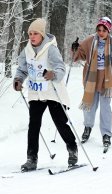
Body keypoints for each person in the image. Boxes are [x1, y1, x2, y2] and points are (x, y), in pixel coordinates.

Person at [13, 18, 78, 171]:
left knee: (60, 122)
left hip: (52, 92)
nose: (32, 36)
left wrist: (52, 73)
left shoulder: (51, 49)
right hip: (36, 93)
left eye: (35, 33)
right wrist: (18, 79)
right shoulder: (27, 50)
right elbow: (22, 69)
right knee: (33, 125)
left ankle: (72, 148)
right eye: (30, 34)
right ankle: (31, 158)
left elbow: (61, 68)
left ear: (42, 35)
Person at [72, 17, 112, 147]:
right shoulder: (90, 41)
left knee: (105, 108)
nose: (101, 32)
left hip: (107, 78)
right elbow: (79, 55)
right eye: (99, 29)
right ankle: (88, 127)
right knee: (89, 106)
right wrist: (75, 49)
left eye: (104, 30)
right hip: (92, 78)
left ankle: (106, 134)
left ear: (108, 30)